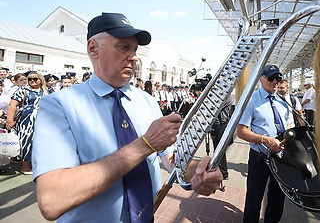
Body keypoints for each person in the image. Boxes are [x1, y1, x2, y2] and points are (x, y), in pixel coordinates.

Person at [32, 12, 222, 222]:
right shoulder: (59, 106)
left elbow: (169, 159)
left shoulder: (147, 101)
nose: (134, 57)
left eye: (134, 49)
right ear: (93, 48)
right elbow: (52, 200)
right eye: (124, 47)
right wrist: (144, 145)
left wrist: (196, 172)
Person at [237, 64, 289, 223]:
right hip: (260, 156)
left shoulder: (283, 101)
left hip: (281, 155)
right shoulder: (251, 100)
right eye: (271, 78)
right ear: (261, 79)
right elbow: (241, 131)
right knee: (254, 195)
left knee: (278, 195)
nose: (275, 81)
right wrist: (265, 139)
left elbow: (288, 124)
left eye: (278, 78)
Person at [6, 71, 47, 174]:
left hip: (42, 121)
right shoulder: (23, 90)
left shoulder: (45, 91)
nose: (32, 81)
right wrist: (9, 120)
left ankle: (36, 164)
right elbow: (12, 105)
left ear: (40, 80)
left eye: (35, 79)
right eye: (30, 79)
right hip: (26, 122)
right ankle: (25, 167)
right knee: (26, 143)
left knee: (39, 143)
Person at [210, 95, 232, 180]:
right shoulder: (220, 96)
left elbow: (216, 107)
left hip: (221, 125)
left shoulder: (227, 96)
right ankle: (218, 170)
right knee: (216, 150)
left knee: (220, 151)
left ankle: (223, 172)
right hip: (216, 125)